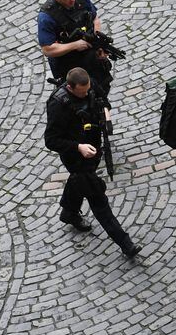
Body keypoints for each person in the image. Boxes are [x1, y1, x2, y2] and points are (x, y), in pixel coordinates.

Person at [44, 67, 141, 257]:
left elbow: (103, 100)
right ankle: (125, 243)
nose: (87, 93)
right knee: (97, 198)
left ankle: (69, 212)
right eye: (83, 91)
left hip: (94, 148)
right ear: (71, 88)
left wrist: (106, 115)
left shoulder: (90, 84)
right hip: (76, 157)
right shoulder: (57, 105)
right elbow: (51, 140)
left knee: (77, 182)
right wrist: (78, 147)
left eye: (88, 89)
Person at [37, 0, 114, 107]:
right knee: (77, 103)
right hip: (68, 66)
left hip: (91, 59)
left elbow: (95, 19)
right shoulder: (47, 16)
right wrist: (74, 45)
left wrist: (98, 44)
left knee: (101, 92)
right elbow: (47, 49)